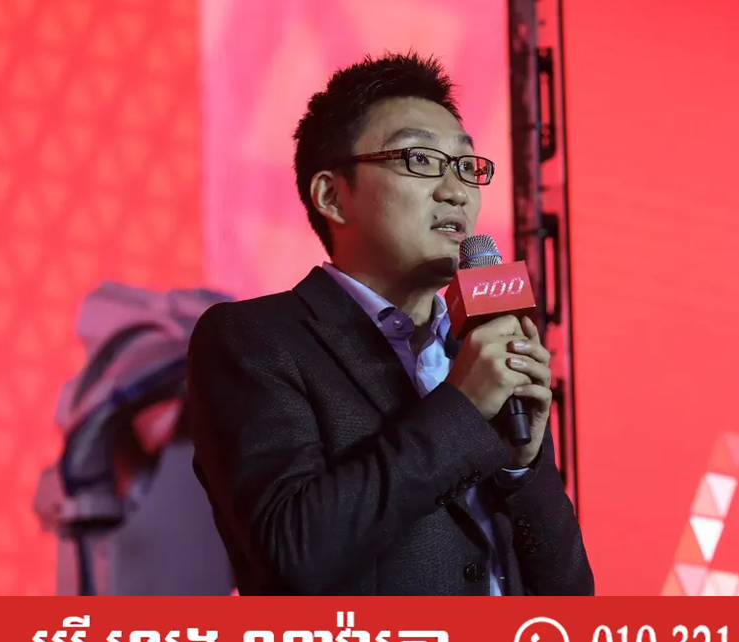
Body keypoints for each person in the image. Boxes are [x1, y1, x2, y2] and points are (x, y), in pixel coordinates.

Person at [186, 52, 593, 595]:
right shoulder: (255, 339)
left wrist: (522, 469)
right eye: (420, 159)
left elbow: (571, 599)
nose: (456, 191)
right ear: (333, 196)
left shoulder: (479, 348)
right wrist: (463, 408)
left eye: (466, 166)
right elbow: (291, 553)